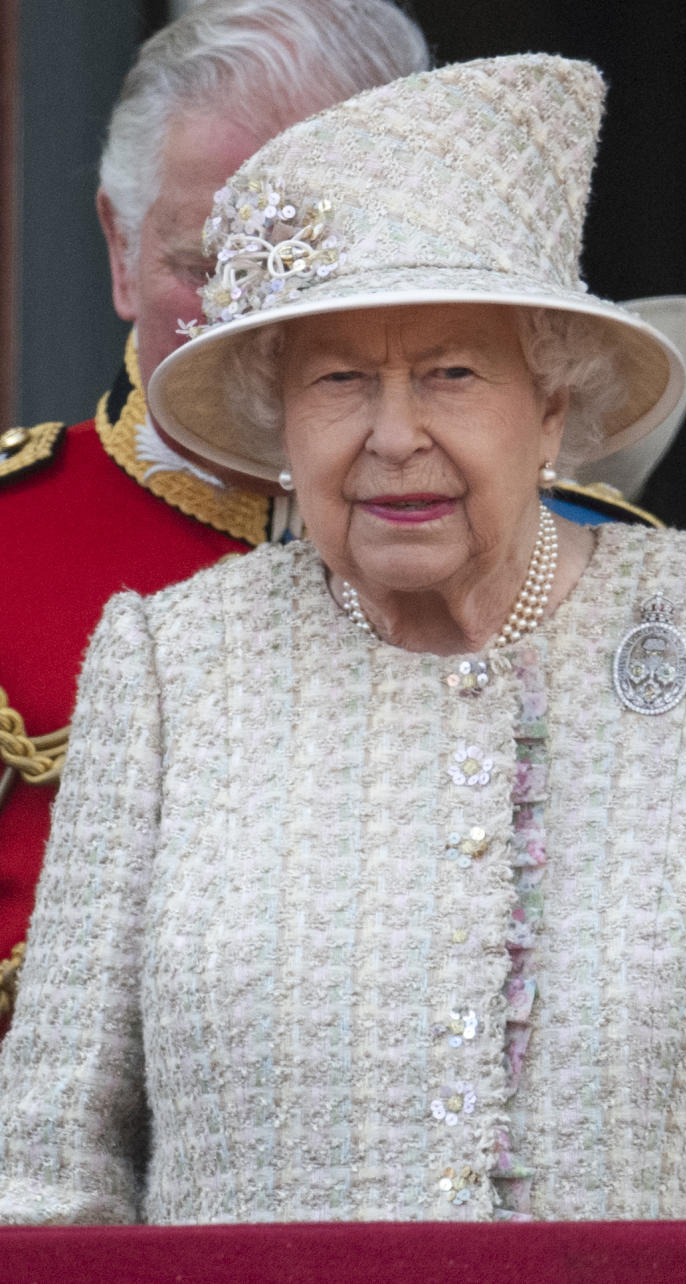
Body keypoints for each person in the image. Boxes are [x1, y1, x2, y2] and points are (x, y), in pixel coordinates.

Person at [6, 53, 686, 1226]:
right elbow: (44, 1178)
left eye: (452, 373)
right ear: (280, 416)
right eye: (342, 379)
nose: (395, 436)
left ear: (553, 404)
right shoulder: (170, 666)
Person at [0, 0, 431, 1025]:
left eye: (312, 267)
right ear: (119, 248)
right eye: (203, 267)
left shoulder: (574, 554)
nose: (254, 321)